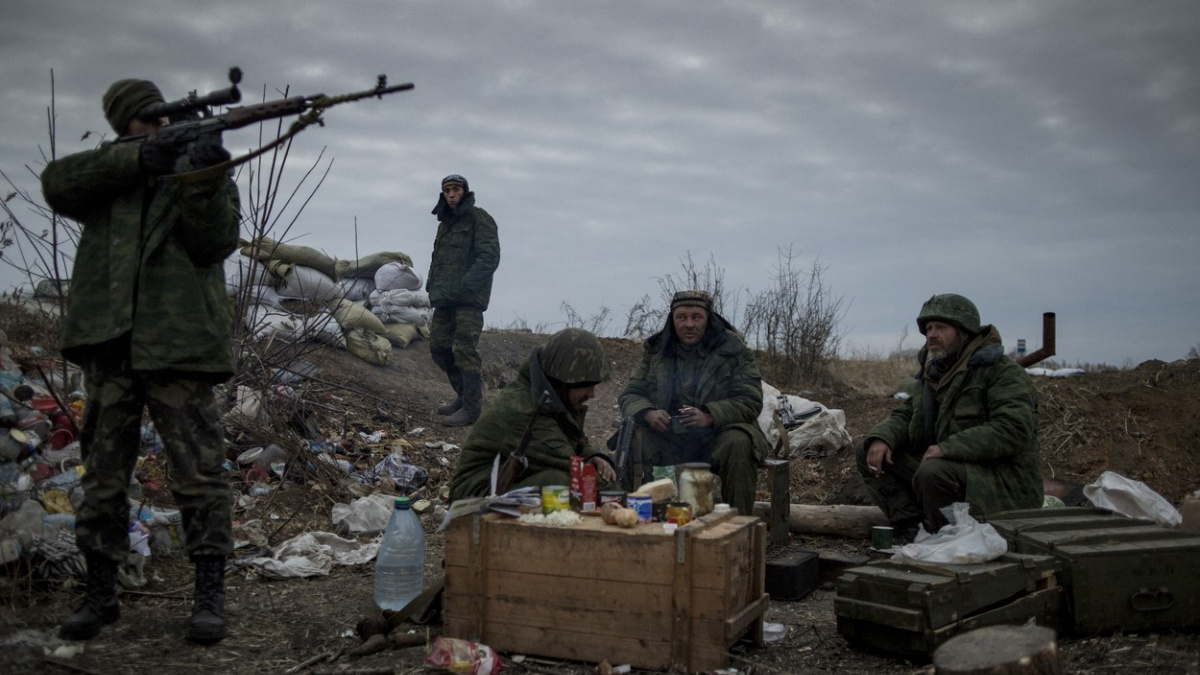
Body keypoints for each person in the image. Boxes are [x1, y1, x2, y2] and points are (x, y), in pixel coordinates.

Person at [40, 78, 240, 643]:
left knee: (200, 476)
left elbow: (214, 242)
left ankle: (208, 596)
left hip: (179, 347)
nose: (161, 127)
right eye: (148, 120)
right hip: (111, 343)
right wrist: (139, 161)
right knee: (103, 477)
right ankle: (100, 594)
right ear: (128, 125)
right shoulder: (108, 175)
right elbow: (57, 184)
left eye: (164, 120)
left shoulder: (200, 168)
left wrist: (203, 175)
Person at [858, 293, 1041, 544]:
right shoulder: (935, 374)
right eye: (928, 328)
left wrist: (948, 448)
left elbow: (1013, 428)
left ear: (964, 332)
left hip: (1004, 482)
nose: (931, 334)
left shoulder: (1003, 373)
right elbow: (907, 412)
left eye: (941, 327)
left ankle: (952, 540)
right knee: (869, 450)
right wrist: (883, 438)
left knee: (933, 471)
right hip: (953, 470)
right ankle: (911, 528)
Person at [617, 290, 769, 516]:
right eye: (682, 317)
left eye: (696, 317)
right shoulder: (657, 350)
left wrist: (710, 415)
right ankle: (636, 522)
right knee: (633, 442)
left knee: (740, 444)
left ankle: (738, 529)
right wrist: (648, 413)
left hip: (717, 436)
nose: (689, 324)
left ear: (708, 319)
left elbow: (750, 399)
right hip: (669, 436)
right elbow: (631, 393)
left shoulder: (732, 350)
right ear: (672, 320)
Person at [449, 328, 617, 501]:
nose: (592, 394)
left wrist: (593, 456)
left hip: (512, 481)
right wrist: (632, 500)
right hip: (475, 495)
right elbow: (572, 468)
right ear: (563, 379)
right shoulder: (525, 410)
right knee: (559, 484)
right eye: (587, 385)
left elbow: (574, 442)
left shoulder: (552, 398)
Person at [426, 174, 501, 427]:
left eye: (456, 189)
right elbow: (437, 260)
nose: (451, 194)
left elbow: (489, 257)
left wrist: (467, 284)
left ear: (465, 192)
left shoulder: (480, 219)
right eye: (446, 190)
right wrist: (431, 286)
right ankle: (462, 395)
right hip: (444, 298)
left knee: (465, 349)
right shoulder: (444, 224)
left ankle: (471, 408)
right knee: (438, 346)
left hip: (468, 299)